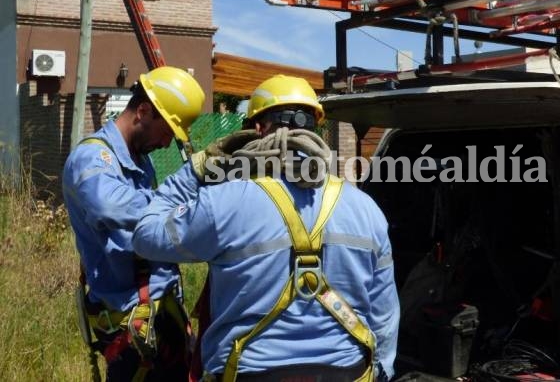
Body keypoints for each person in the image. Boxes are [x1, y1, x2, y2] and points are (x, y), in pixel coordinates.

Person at [132, 75, 399, 382]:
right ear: (317, 126)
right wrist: (381, 371)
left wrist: (196, 169)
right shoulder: (366, 209)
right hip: (349, 374)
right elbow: (384, 314)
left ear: (256, 130)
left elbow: (145, 235)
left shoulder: (224, 202)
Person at [62, 66, 205, 381]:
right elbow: (109, 207)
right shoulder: (93, 158)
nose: (167, 143)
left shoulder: (141, 161)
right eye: (167, 131)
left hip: (160, 313)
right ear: (142, 111)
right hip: (130, 326)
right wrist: (185, 208)